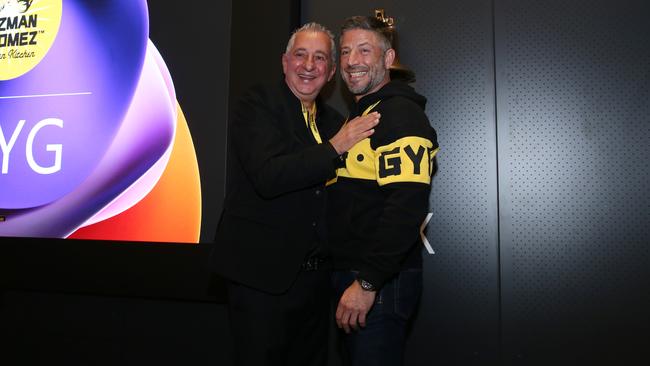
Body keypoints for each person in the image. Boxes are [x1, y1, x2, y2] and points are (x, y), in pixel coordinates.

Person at [210, 22, 380, 366]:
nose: (308, 65)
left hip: (317, 285)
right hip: (260, 279)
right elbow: (269, 175)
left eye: (319, 58)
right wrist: (336, 146)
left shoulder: (334, 121)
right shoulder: (257, 105)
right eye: (300, 55)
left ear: (331, 72)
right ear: (284, 62)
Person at [327, 16, 439, 366]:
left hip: (377, 285)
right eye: (345, 52)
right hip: (355, 278)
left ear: (388, 59)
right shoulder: (360, 116)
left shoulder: (400, 116)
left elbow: (406, 208)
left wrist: (367, 284)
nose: (351, 61)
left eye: (364, 50)